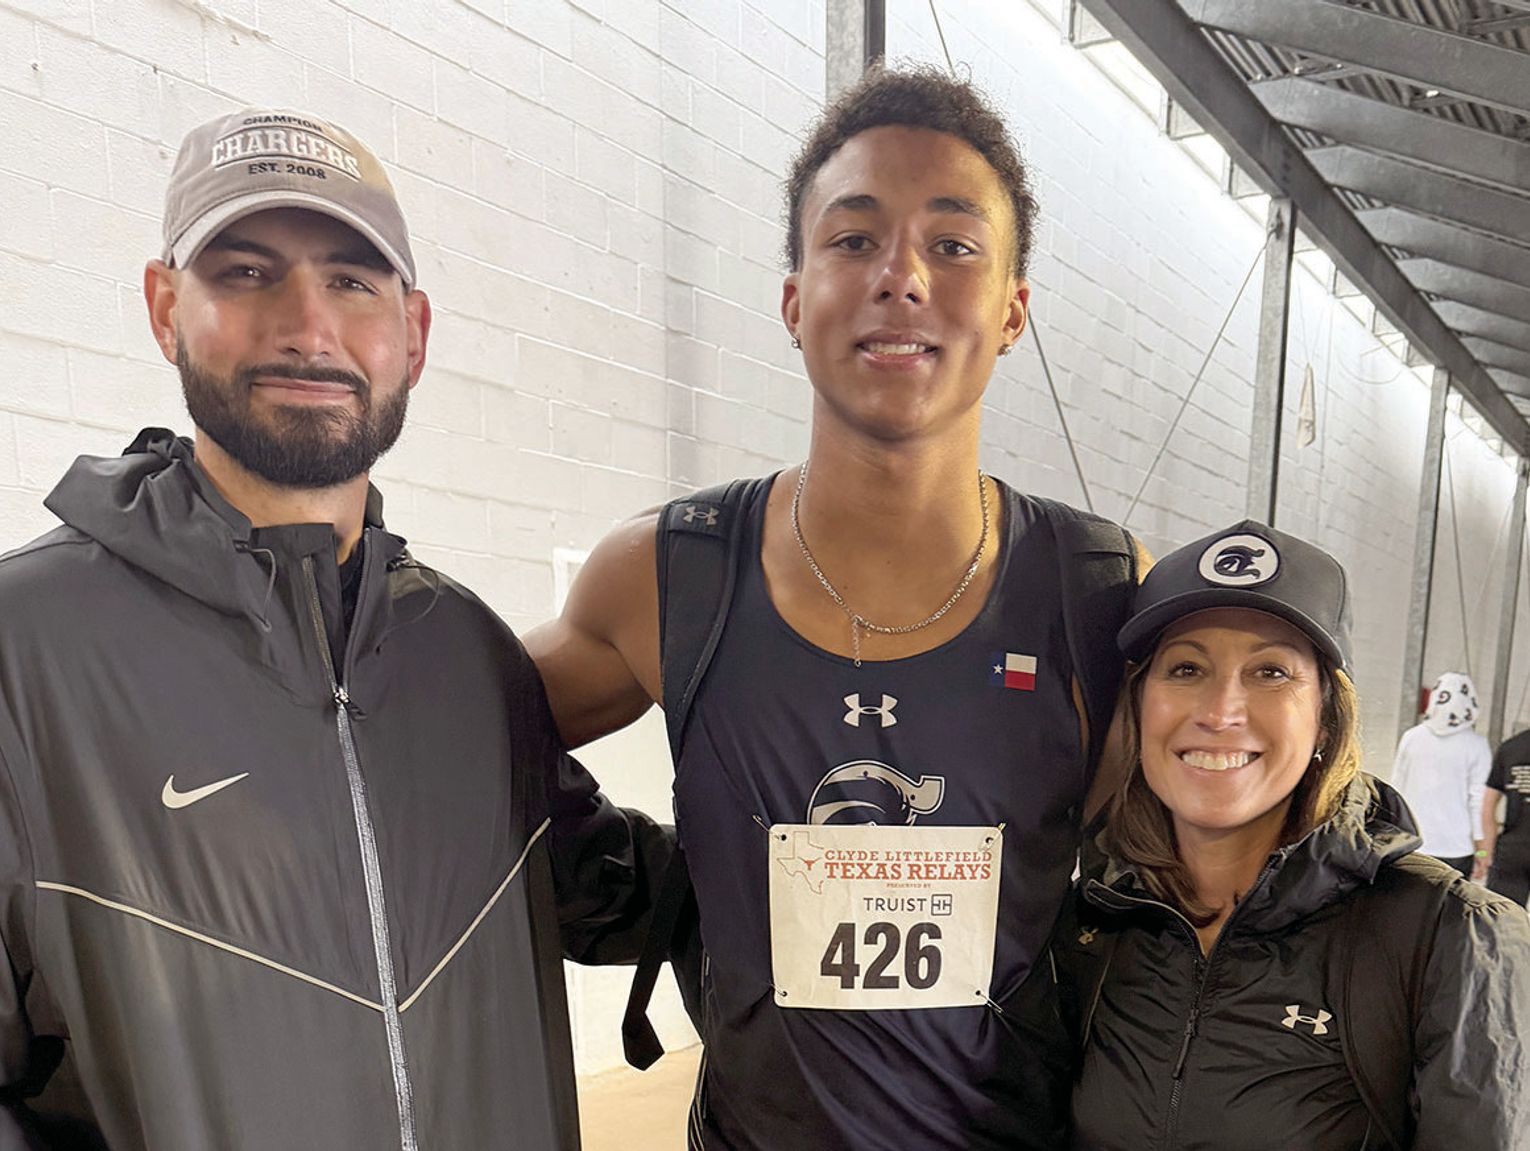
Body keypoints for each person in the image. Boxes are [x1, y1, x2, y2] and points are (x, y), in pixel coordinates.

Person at [0, 108, 667, 1149]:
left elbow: (611, 882)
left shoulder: (466, 654)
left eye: (353, 281)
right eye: (249, 273)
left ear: (416, 331)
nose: (308, 326)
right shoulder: (25, 652)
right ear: (165, 306)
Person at [527, 68, 1142, 1150]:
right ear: (793, 297)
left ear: (1012, 311)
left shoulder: (1094, 593)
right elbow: (425, 727)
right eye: (853, 241)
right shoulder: (666, 576)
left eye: (953, 246)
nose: (899, 277)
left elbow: (1233, 866)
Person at [1059, 520, 1530, 1150]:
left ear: (1326, 722)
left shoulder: (1447, 935)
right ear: (1139, 708)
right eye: (1186, 668)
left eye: (1271, 673)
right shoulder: (1096, 924)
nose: (1221, 711)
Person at [1390, 671, 1491, 877]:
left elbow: (1395, 790)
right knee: (1451, 908)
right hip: (1457, 849)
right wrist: (1482, 851)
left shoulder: (1411, 737)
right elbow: (1478, 802)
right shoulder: (1477, 746)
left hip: (1412, 845)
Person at [1483, 725, 1530, 904]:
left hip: (1512, 850)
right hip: (1512, 851)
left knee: (1503, 922)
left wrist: (1486, 851)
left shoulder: (1510, 747)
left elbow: (1488, 806)